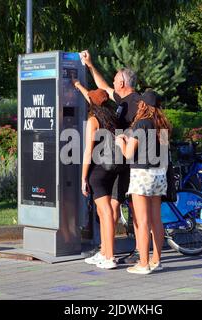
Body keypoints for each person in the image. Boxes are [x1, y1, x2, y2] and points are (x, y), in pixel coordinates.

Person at [80, 50, 141, 264]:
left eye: (115, 79)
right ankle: (106, 251)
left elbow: (145, 128)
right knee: (113, 208)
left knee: (132, 210)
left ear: (123, 82)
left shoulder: (137, 103)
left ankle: (131, 255)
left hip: (132, 161)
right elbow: (102, 88)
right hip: (119, 161)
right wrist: (89, 65)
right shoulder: (119, 100)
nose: (112, 82)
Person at [115, 90, 171, 274]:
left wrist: (120, 141)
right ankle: (156, 260)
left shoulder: (142, 124)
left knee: (142, 220)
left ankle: (143, 263)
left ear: (143, 105)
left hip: (142, 174)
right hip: (159, 175)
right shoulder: (162, 124)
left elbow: (129, 154)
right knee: (156, 220)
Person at [73, 80, 119, 270]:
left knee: (105, 211)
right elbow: (93, 97)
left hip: (98, 170)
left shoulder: (93, 121)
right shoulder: (112, 117)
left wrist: (83, 177)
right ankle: (105, 252)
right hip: (114, 168)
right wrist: (78, 86)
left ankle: (109, 256)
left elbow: (87, 151)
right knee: (104, 211)